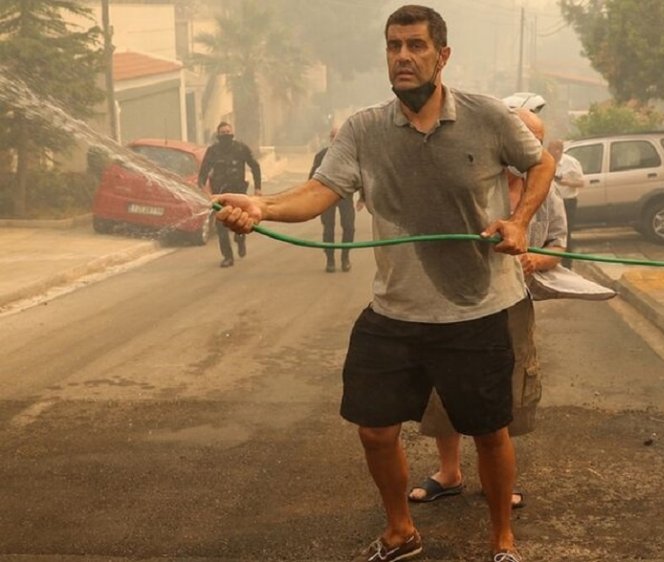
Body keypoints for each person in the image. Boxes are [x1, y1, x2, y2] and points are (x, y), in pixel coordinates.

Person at [212, 6, 555, 562]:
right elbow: (320, 191)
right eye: (394, 45)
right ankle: (401, 532)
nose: (403, 56)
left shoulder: (488, 117)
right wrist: (263, 206)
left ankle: (502, 542)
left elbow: (540, 164)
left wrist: (519, 222)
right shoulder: (366, 128)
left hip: (477, 309)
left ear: (442, 56)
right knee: (373, 429)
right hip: (396, 311)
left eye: (416, 46)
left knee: (490, 432)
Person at [409, 108, 565, 511]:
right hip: (455, 299)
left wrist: (535, 259)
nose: (527, 148)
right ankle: (449, 472)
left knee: (504, 389)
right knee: (444, 383)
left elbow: (559, 249)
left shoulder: (546, 191)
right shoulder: (474, 182)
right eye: (521, 136)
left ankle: (498, 480)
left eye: (535, 140)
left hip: (512, 302)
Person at [199, 121, 262, 268]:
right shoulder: (213, 151)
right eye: (223, 133)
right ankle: (228, 257)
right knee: (221, 227)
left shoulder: (241, 148)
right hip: (219, 195)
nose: (226, 135)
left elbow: (255, 166)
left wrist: (258, 187)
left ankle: (240, 240)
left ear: (232, 134)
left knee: (239, 222)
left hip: (238, 192)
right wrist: (204, 190)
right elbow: (203, 173)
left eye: (228, 132)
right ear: (218, 135)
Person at [310, 126, 356, 272]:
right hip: (326, 197)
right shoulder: (321, 155)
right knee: (328, 228)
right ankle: (330, 260)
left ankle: (345, 257)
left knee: (349, 227)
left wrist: (363, 196)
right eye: (334, 137)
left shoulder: (352, 155)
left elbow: (359, 174)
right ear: (330, 139)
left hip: (345, 195)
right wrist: (311, 198)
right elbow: (312, 178)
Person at [547, 139, 584, 269]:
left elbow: (581, 183)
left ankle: (567, 265)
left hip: (567, 201)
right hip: (551, 202)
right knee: (550, 233)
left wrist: (567, 182)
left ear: (559, 150)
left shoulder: (572, 163)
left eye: (551, 149)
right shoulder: (547, 161)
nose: (549, 151)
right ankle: (551, 262)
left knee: (566, 234)